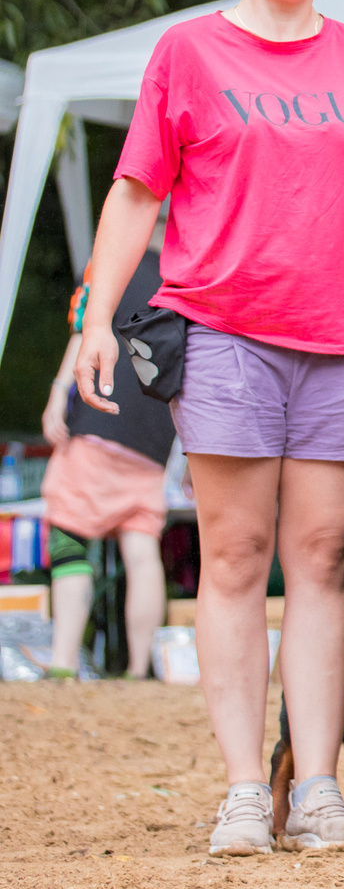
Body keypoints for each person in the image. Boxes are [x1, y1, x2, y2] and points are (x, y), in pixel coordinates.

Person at [70, 0, 344, 855]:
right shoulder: (189, 52)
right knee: (232, 557)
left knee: (320, 559)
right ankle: (239, 789)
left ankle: (313, 787)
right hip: (224, 330)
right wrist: (96, 313)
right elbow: (138, 190)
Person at [34, 236, 179, 679]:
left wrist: (60, 393)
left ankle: (61, 663)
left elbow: (83, 329)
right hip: (157, 436)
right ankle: (139, 670)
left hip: (99, 420)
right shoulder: (185, 275)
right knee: (140, 547)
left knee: (68, 529)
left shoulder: (113, 261)